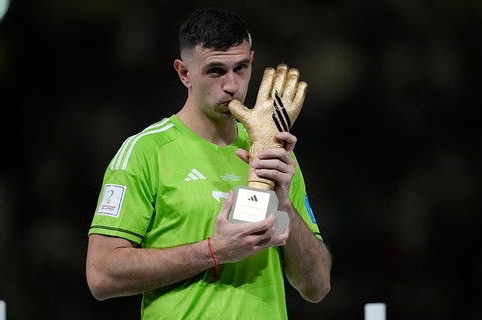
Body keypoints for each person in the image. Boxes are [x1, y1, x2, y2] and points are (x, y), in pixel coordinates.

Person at [85, 7, 332, 319]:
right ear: (184, 73)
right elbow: (101, 275)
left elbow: (317, 286)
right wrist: (213, 251)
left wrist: (283, 204)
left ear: (252, 62)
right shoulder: (147, 151)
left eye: (241, 68)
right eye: (216, 71)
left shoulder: (272, 154)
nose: (232, 85)